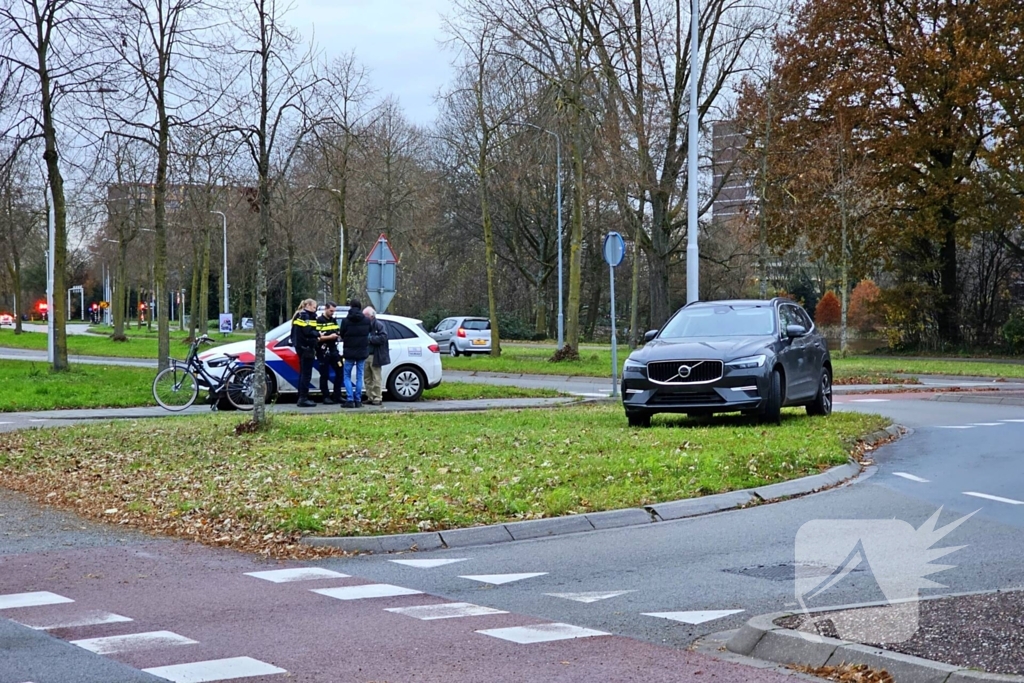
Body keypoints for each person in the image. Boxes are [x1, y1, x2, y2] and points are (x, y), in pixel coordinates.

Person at [338, 298, 371, 408]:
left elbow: (342, 334)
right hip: (362, 352)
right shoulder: (366, 320)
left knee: (346, 375)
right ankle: (358, 400)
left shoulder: (346, 321)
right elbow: (369, 332)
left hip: (349, 352)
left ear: (350, 307)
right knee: (359, 376)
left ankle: (350, 399)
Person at [290, 298, 320, 408]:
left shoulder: (299, 315)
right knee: (306, 374)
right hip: (306, 348)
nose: (315, 309)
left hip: (301, 347)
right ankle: (303, 398)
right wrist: (318, 334)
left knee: (303, 373)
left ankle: (302, 396)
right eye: (314, 307)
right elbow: (308, 331)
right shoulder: (305, 316)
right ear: (307, 305)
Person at [316, 301, 342, 404]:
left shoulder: (333, 320)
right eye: (331, 311)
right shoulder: (319, 321)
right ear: (325, 309)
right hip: (323, 351)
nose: (332, 313)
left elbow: (337, 331)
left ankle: (337, 395)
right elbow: (317, 338)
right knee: (324, 375)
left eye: (334, 311)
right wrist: (329, 337)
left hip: (334, 350)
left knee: (340, 372)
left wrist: (338, 335)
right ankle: (325, 396)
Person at [363, 306, 390, 406]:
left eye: (365, 315)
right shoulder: (365, 325)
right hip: (366, 354)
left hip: (375, 355)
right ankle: (370, 396)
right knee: (367, 378)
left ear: (371, 316)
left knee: (376, 377)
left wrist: (370, 339)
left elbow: (383, 338)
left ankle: (377, 397)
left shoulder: (378, 325)